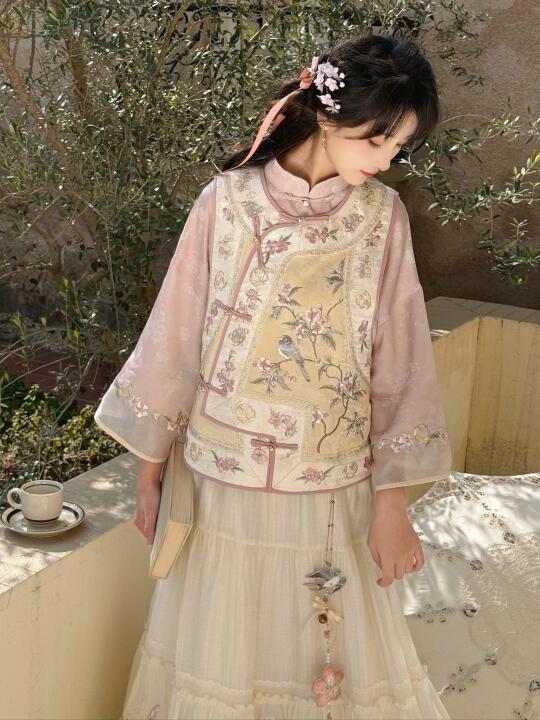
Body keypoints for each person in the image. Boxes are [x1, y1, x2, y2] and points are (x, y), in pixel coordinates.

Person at [94, 31, 453, 720]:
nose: (386, 160)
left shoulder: (383, 219)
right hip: (219, 480)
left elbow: (401, 364)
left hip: (330, 486)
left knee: (327, 664)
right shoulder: (225, 201)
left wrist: (392, 505)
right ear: (328, 115)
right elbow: (176, 334)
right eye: (378, 140)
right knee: (222, 661)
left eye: (398, 148)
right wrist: (149, 470)